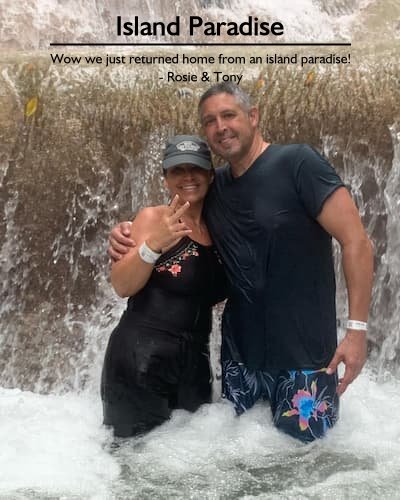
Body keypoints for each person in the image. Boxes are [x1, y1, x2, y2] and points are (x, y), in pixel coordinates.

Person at [108, 83, 374, 442]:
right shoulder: (212, 187)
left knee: (307, 468)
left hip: (306, 358)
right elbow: (172, 211)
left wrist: (357, 331)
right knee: (240, 467)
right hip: (240, 362)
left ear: (253, 116)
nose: (221, 126)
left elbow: (356, 241)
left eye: (229, 115)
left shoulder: (299, 164)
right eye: (210, 121)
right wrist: (127, 232)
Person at [101, 135, 227, 438]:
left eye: (195, 169)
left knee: (187, 466)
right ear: (165, 178)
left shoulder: (221, 225)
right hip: (140, 359)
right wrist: (154, 244)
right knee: (133, 464)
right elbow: (122, 285)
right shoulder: (152, 217)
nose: (187, 177)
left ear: (211, 174)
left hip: (194, 363)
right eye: (177, 171)